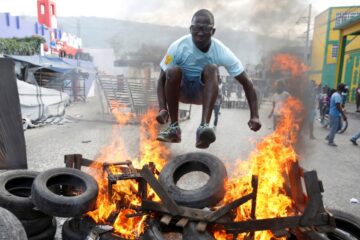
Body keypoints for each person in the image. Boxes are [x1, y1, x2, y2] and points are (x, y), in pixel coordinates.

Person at [155, 9, 261, 149]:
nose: (200, 32)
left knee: (212, 68)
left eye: (205, 29)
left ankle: (203, 127)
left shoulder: (221, 51)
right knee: (172, 70)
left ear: (213, 31)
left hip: (203, 93)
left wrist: (255, 116)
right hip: (181, 92)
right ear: (191, 29)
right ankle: (174, 128)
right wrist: (163, 109)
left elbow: (248, 84)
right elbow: (161, 80)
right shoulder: (178, 47)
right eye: (197, 28)